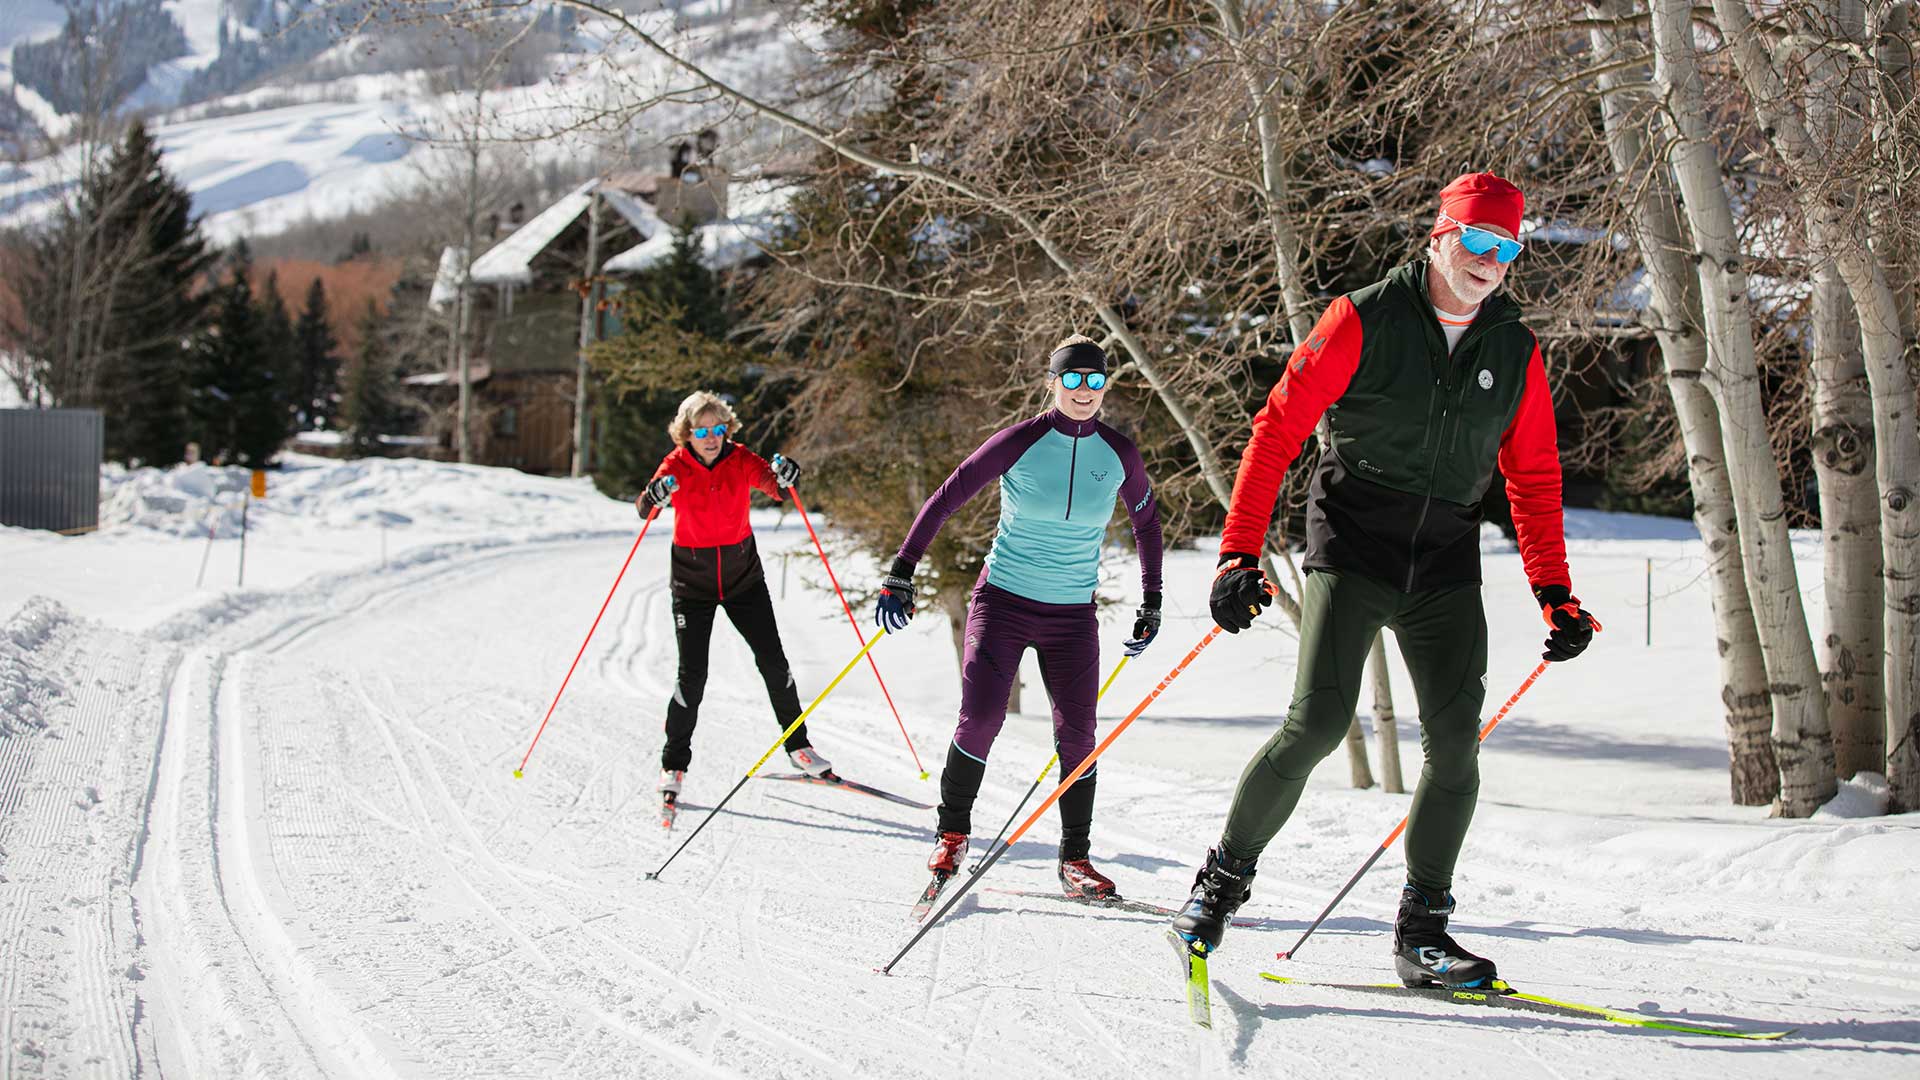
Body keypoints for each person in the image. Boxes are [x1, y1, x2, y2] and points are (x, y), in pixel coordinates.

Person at [1169, 173, 1602, 988]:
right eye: (1476, 242)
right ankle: (1215, 892)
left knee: (1454, 748)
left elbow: (1535, 475)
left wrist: (1554, 591)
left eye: (1506, 249)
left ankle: (1423, 933)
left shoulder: (1513, 347)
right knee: (1317, 726)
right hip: (1355, 538)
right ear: (1439, 236)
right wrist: (1238, 553)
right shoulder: (1364, 317)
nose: (1489, 261)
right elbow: (1276, 430)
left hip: (1443, 555)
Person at [874, 336, 1164, 899]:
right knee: (981, 718)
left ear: (1106, 386)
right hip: (1003, 601)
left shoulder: (1119, 453)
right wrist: (901, 571)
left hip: (1072, 617)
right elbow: (947, 496)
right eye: (1073, 379)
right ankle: (952, 833)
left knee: (1079, 736)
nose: (1085, 391)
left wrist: (1151, 601)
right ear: (1052, 383)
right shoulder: (1021, 441)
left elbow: (1146, 524)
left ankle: (1075, 860)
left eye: (1095, 380)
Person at [639, 391, 830, 804]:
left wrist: (787, 475)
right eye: (702, 430)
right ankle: (673, 764)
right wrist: (655, 496)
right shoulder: (676, 464)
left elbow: (775, 485)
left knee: (774, 663)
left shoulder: (740, 458)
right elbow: (646, 505)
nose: (711, 437)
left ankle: (799, 746)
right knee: (693, 676)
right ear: (687, 434)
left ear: (727, 428)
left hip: (744, 579)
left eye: (718, 429)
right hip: (693, 586)